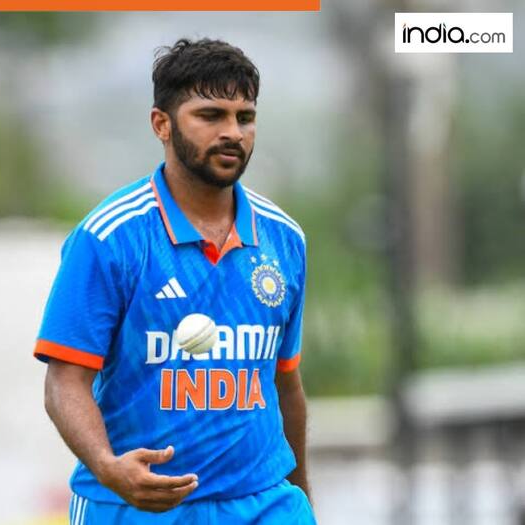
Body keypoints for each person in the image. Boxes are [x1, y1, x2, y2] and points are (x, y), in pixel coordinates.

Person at [34, 37, 316, 525]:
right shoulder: (111, 237)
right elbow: (64, 382)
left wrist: (304, 498)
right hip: (137, 508)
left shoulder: (284, 239)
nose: (233, 133)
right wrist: (108, 468)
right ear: (161, 124)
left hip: (265, 506)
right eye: (210, 116)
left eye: (245, 117)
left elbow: (284, 382)